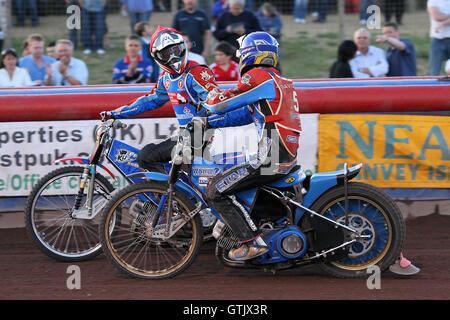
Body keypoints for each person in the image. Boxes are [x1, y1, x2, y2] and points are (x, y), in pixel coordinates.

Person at [202, 31, 301, 261]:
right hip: (282, 153)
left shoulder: (257, 76)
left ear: (249, 53)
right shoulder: (278, 81)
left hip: (271, 155)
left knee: (216, 189)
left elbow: (219, 103)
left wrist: (207, 100)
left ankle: (251, 243)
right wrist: (209, 122)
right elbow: (244, 115)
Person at [102, 26, 248, 174]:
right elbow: (150, 101)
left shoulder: (197, 72)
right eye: (166, 53)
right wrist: (117, 113)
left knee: (146, 156)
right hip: (187, 135)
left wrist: (204, 119)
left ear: (183, 47)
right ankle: (173, 194)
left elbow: (216, 102)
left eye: (175, 51)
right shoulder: (165, 78)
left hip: (201, 135)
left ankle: (169, 193)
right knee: (152, 158)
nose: (173, 57)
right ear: (158, 57)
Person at [427, 0, 450, 76]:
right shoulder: (433, 1)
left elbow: (440, 17)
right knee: (434, 71)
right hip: (437, 39)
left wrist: (443, 23)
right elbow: (437, 17)